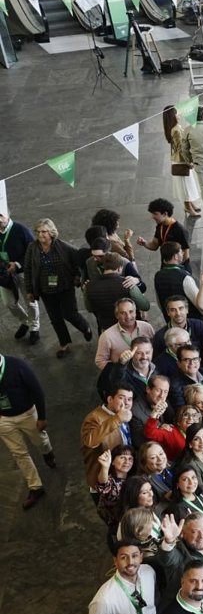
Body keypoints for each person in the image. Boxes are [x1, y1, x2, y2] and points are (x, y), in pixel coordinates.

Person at [24, 218, 92, 358]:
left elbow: (78, 261)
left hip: (65, 287)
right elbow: (28, 269)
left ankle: (85, 327)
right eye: (38, 231)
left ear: (51, 232)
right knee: (55, 318)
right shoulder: (32, 247)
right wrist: (30, 290)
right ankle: (64, 344)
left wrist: (78, 277)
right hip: (45, 290)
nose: (40, 235)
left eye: (44, 231)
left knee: (70, 314)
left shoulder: (64, 247)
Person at [0, 351, 54, 509]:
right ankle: (35, 487)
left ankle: (47, 452)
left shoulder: (17, 365)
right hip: (4, 420)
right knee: (19, 453)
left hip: (27, 414)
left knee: (40, 441)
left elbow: (37, 390)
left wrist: (42, 417)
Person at [0, 212, 40, 343]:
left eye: (1, 215)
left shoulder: (21, 230)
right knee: (9, 303)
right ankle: (26, 321)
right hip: (5, 274)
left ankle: (34, 327)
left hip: (23, 272)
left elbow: (34, 251)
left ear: (8, 214)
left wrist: (17, 264)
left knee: (30, 301)